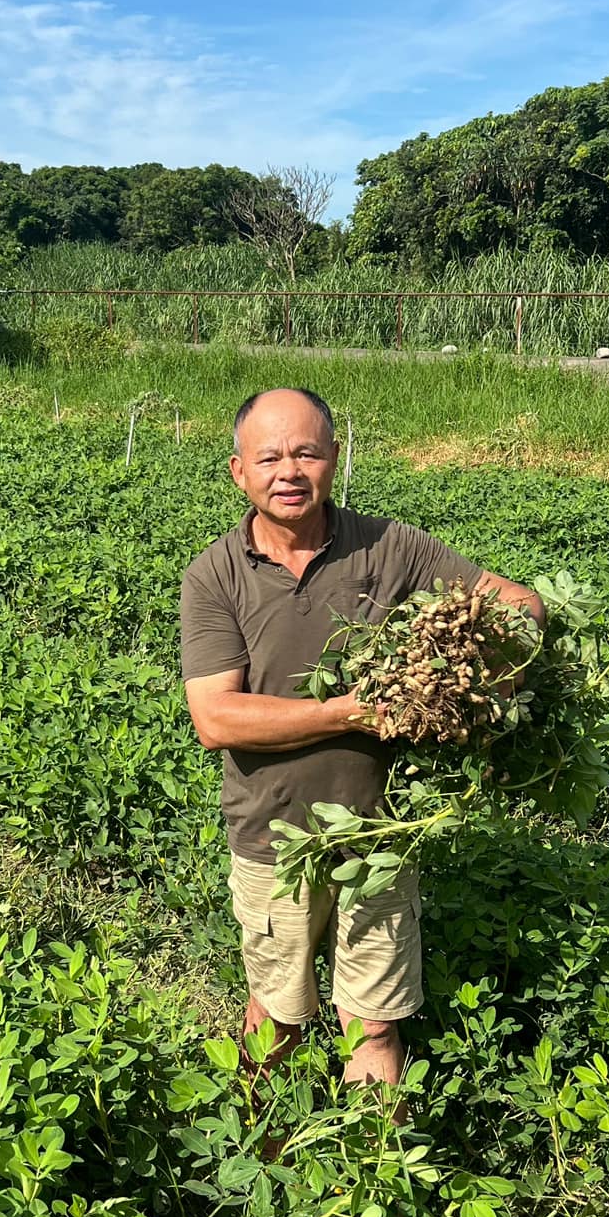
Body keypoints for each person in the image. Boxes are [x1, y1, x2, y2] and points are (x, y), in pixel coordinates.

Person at [180, 386, 544, 1107]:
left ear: (335, 458)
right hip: (271, 838)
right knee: (276, 1018)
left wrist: (488, 663)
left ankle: (371, 1161)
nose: (289, 472)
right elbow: (216, 719)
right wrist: (348, 713)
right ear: (239, 472)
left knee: (374, 1026)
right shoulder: (214, 575)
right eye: (269, 458)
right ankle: (263, 1149)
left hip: (381, 835)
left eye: (306, 453)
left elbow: (518, 601)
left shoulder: (392, 546)